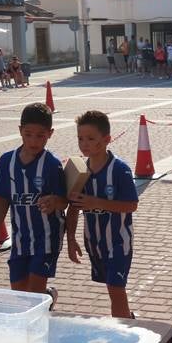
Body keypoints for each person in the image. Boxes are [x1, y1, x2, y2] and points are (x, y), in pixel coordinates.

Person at [0, 103, 67, 309]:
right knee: (20, 291)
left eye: (40, 136)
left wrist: (55, 202)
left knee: (33, 293)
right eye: (28, 134)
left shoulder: (52, 164)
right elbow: (3, 197)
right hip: (20, 237)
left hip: (47, 236)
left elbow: (65, 200)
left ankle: (39, 330)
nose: (33, 141)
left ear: (50, 134)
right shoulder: (7, 161)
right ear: (20, 131)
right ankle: (47, 297)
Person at [65, 110, 139, 318]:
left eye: (90, 139)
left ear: (106, 140)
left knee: (116, 288)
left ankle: (123, 330)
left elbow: (131, 205)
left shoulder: (119, 170)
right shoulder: (80, 170)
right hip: (94, 243)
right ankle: (127, 317)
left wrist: (97, 202)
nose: (84, 144)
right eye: (80, 138)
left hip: (118, 242)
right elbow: (73, 207)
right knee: (111, 288)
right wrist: (70, 238)